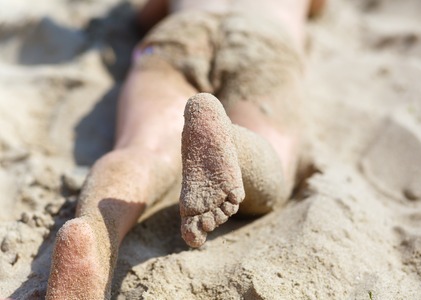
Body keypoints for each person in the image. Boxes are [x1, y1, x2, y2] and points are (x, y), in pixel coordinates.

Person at [45, 0, 325, 298]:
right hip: (264, 40)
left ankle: (95, 232)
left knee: (144, 148)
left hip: (180, 33)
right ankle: (232, 143)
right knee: (273, 163)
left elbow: (147, 17)